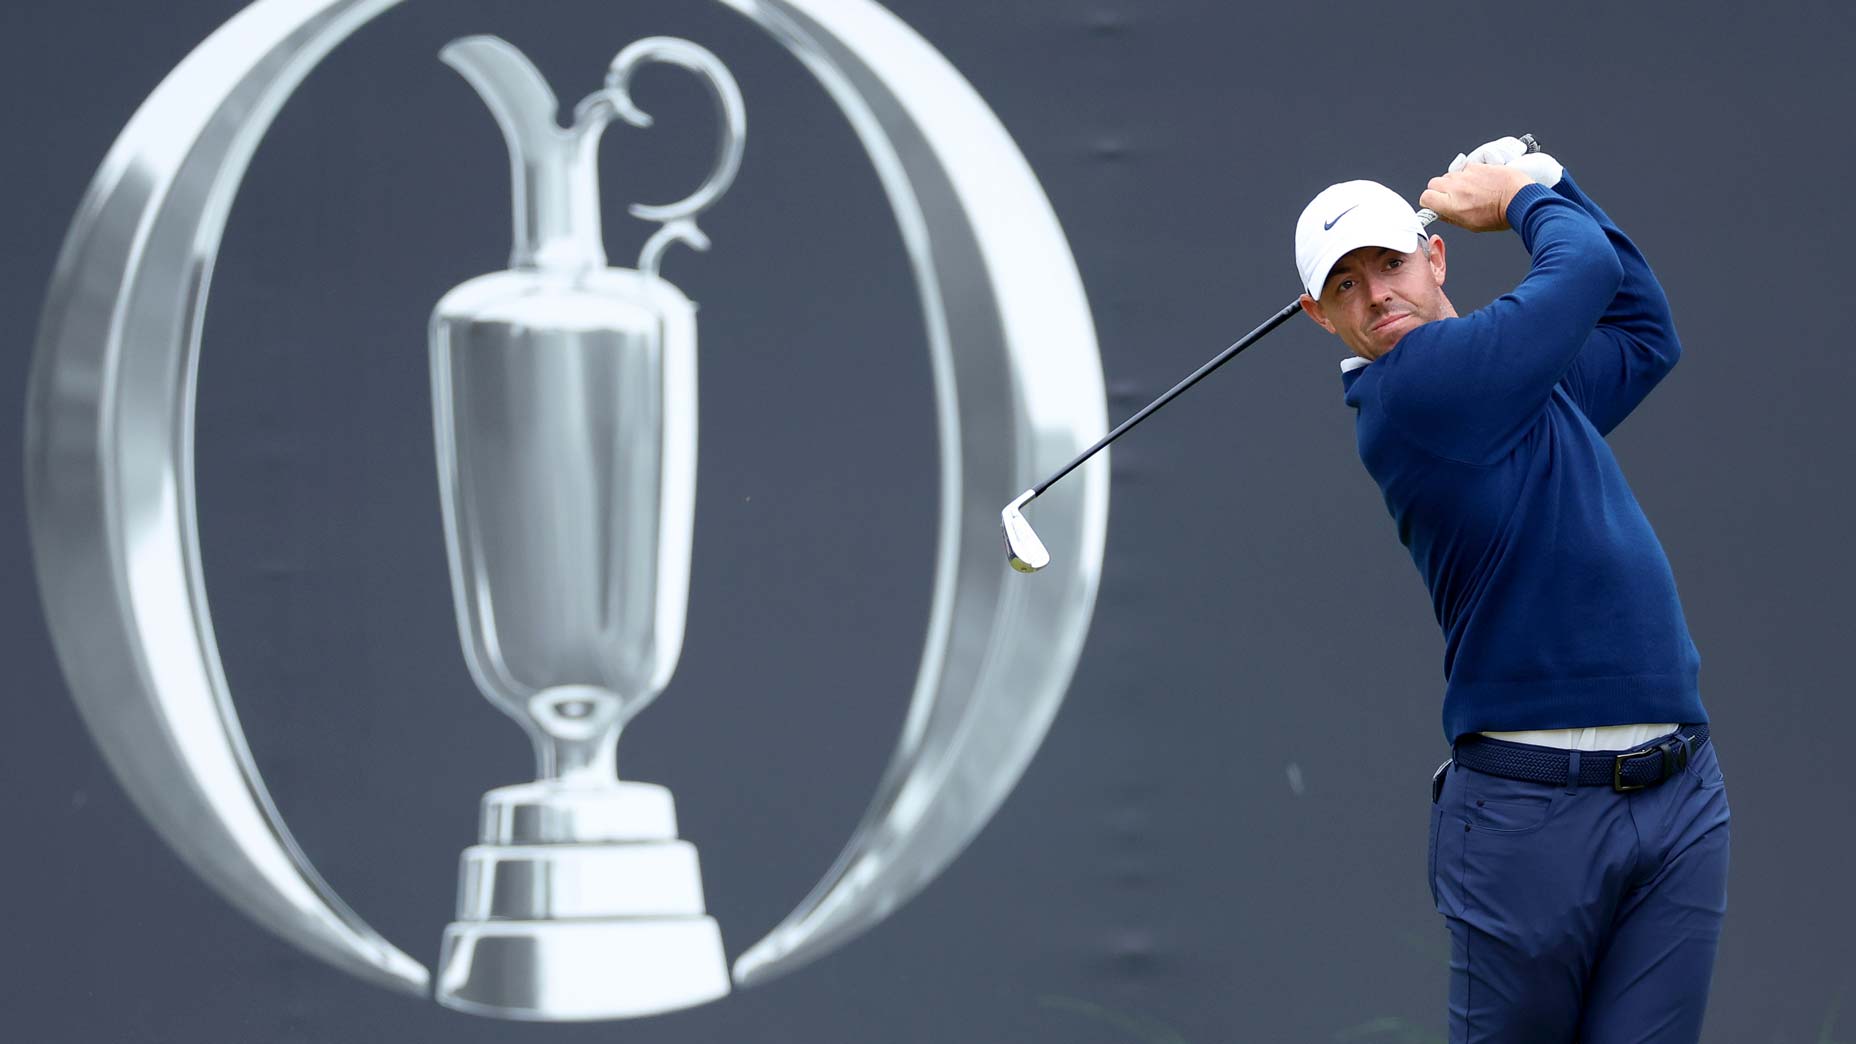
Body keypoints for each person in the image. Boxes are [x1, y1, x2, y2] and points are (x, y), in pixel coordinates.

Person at [1292, 137, 1731, 1042]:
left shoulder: (1508, 382)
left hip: (1678, 793)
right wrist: (1528, 193)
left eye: (1389, 261)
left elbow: (1647, 333)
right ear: (1318, 316)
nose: (1376, 293)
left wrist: (1559, 183)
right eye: (1345, 285)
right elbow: (1583, 269)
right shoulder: (1412, 395)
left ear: (1434, 255)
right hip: (1530, 817)